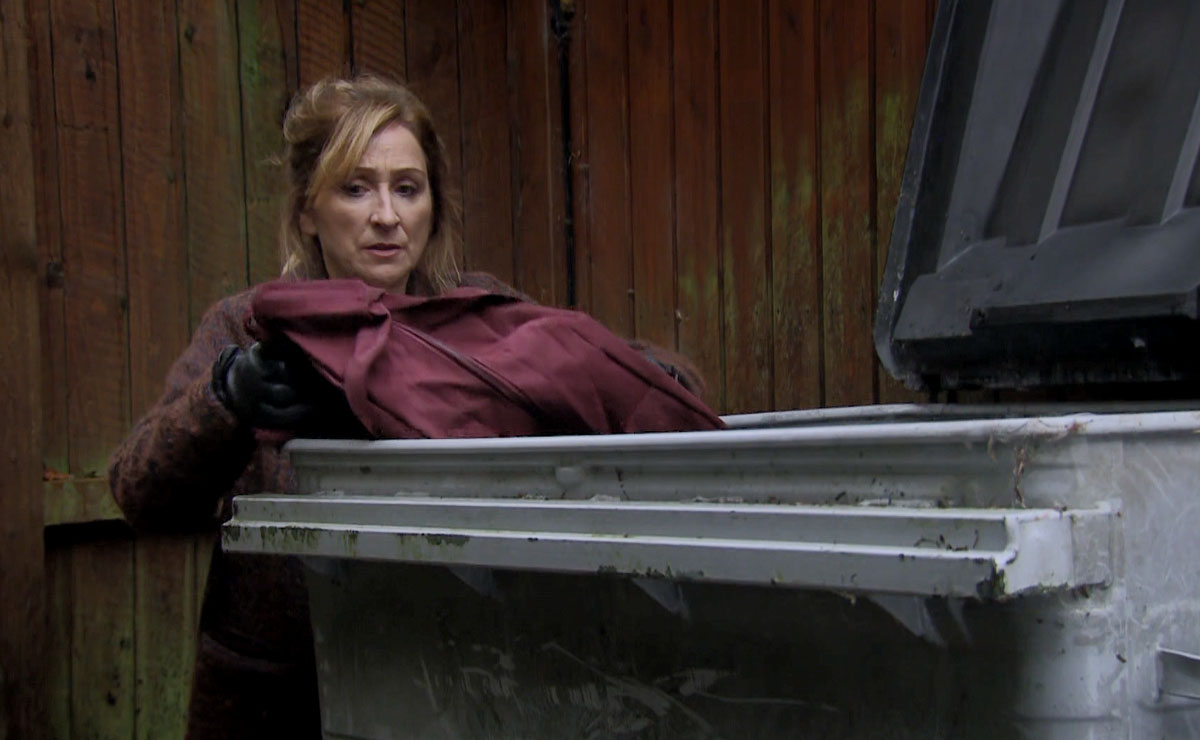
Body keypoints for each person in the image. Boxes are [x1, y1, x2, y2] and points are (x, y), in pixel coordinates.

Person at [109, 75, 709, 739]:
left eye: (407, 188)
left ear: (433, 206)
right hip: (275, 694)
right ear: (307, 210)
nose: (386, 216)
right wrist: (225, 396)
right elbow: (140, 493)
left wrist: (643, 378)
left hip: (446, 679)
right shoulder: (246, 328)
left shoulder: (472, 318)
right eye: (355, 188)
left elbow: (632, 376)